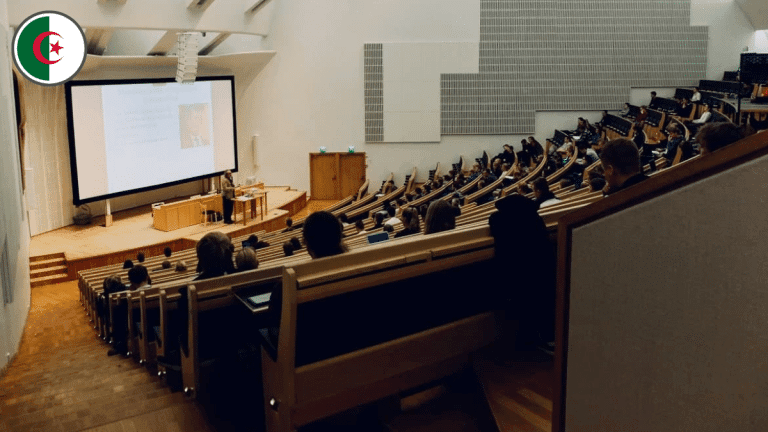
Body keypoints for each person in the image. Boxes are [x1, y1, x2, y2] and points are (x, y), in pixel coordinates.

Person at [489, 194, 556, 356]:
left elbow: (494, 221)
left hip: (516, 277)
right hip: (544, 271)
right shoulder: (535, 220)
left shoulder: (501, 221)